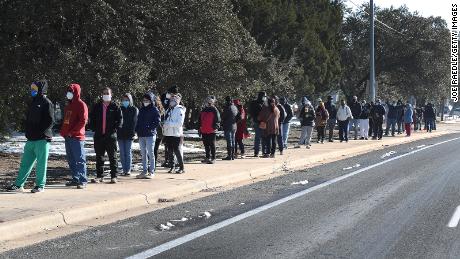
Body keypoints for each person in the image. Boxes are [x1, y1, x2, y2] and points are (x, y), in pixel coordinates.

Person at [7, 81, 55, 193]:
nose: (32, 90)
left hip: (42, 139)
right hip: (31, 139)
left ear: (41, 89)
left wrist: (40, 132)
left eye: (34, 88)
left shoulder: (47, 103)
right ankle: (18, 185)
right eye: (31, 88)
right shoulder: (33, 102)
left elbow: (50, 121)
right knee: (25, 163)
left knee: (41, 164)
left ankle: (40, 185)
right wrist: (28, 132)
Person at [89, 87, 123, 184]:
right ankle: (100, 176)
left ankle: (114, 176)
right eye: (104, 93)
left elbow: (120, 119)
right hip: (99, 135)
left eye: (107, 93)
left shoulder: (115, 106)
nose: (106, 95)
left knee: (113, 157)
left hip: (111, 136)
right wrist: (93, 128)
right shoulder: (97, 106)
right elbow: (92, 118)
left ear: (111, 94)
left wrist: (115, 129)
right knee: (99, 157)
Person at [61, 83, 89, 189]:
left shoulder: (82, 105)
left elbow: (83, 121)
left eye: (71, 91)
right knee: (71, 159)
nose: (69, 93)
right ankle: (75, 178)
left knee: (80, 159)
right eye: (68, 91)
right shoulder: (69, 105)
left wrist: (73, 132)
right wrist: (63, 132)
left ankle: (83, 180)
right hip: (68, 137)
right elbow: (66, 121)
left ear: (76, 92)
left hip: (77, 137)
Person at [135, 92, 161, 178]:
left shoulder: (154, 109)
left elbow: (157, 121)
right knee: (143, 153)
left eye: (147, 100)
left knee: (150, 152)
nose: (145, 101)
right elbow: (138, 122)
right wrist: (137, 130)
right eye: (144, 100)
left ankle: (152, 171)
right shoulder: (141, 110)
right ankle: (144, 171)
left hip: (150, 134)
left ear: (151, 101)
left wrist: (150, 128)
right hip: (141, 135)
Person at [163, 94, 186, 173]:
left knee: (177, 150)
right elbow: (166, 119)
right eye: (171, 100)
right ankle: (172, 166)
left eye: (173, 101)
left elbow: (180, 123)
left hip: (176, 134)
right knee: (169, 151)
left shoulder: (180, 110)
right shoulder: (168, 110)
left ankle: (181, 167)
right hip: (168, 133)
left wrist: (169, 124)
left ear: (177, 102)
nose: (171, 102)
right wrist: (164, 124)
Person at [117, 93, 138, 176]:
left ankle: (128, 169)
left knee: (128, 152)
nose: (125, 101)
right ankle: (124, 169)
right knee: (122, 152)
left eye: (127, 100)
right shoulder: (119, 109)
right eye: (124, 100)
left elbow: (135, 122)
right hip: (120, 133)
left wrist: (133, 132)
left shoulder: (134, 109)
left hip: (130, 134)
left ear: (130, 100)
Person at [199, 96, 221, 164]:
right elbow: (200, 120)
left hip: (211, 130)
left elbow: (218, 120)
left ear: (212, 102)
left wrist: (215, 127)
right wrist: (199, 128)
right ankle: (207, 157)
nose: (208, 103)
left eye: (210, 102)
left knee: (212, 144)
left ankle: (213, 158)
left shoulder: (215, 110)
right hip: (204, 130)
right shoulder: (203, 109)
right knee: (206, 145)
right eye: (207, 102)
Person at [248, 91, 267, 157]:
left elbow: (250, 112)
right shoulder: (262, 103)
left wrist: (253, 119)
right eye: (264, 96)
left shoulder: (253, 102)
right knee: (263, 137)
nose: (265, 98)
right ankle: (263, 152)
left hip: (256, 121)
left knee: (258, 137)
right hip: (261, 122)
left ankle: (256, 152)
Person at [154, 96, 165, 164]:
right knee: (153, 149)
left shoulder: (161, 110)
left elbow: (163, 122)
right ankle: (152, 164)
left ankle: (153, 164)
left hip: (158, 132)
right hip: (155, 132)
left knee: (154, 149)